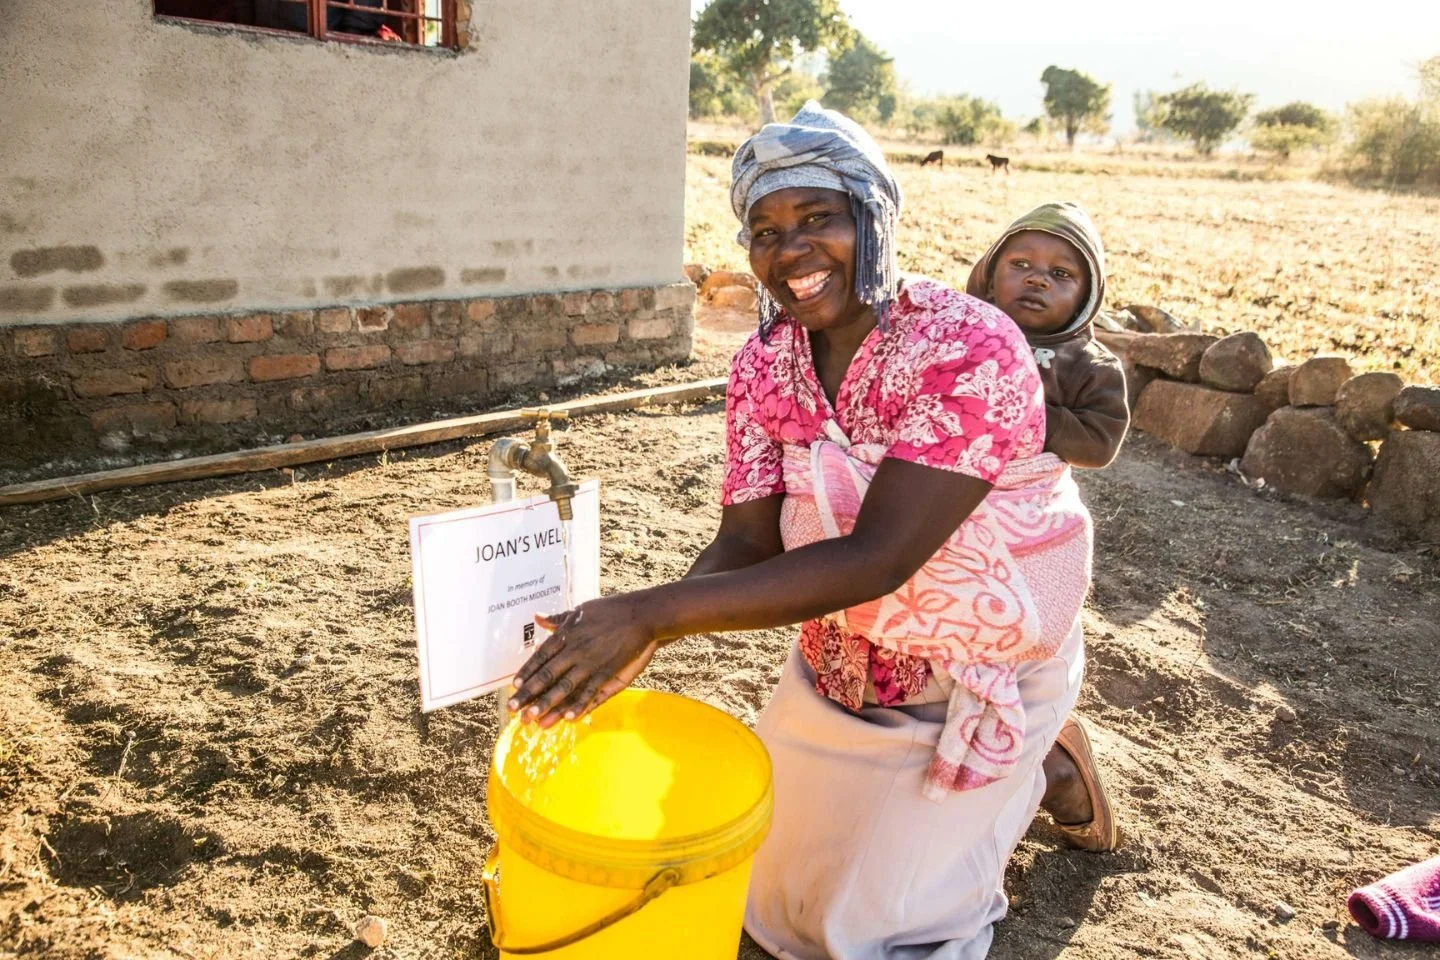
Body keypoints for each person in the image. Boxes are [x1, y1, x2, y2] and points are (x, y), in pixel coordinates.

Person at [509, 102, 1110, 958]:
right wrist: (636, 636)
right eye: (763, 228)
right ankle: (1038, 764)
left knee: (879, 927)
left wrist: (649, 614)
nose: (789, 249)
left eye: (818, 217)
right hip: (848, 651)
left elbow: (879, 557)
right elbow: (749, 543)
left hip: (981, 654)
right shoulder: (764, 363)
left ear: (875, 217)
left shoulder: (969, 346)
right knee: (766, 895)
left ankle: (1039, 746)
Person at [966, 202, 1131, 853]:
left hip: (1027, 532)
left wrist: (1018, 410)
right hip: (950, 512)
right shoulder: (962, 334)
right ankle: (1041, 755)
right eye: (1022, 264)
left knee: (1002, 655)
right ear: (990, 270)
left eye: (1061, 273)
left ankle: (1051, 764)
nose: (1037, 279)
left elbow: (1098, 440)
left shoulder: (1088, 365)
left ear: (1087, 293)